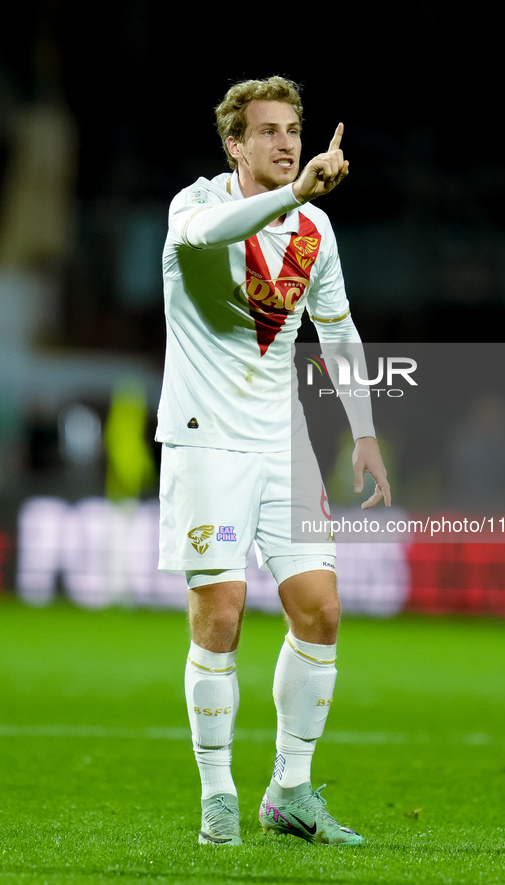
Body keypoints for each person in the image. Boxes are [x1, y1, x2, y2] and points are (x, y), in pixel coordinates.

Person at [156, 76, 391, 847]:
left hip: (279, 442)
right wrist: (292, 191)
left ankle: (288, 789)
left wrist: (362, 431)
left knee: (320, 609)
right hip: (204, 438)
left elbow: (341, 331)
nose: (286, 141)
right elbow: (211, 235)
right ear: (234, 145)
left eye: (293, 128)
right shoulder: (195, 207)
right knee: (219, 615)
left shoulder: (313, 230)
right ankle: (216, 791)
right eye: (267, 130)